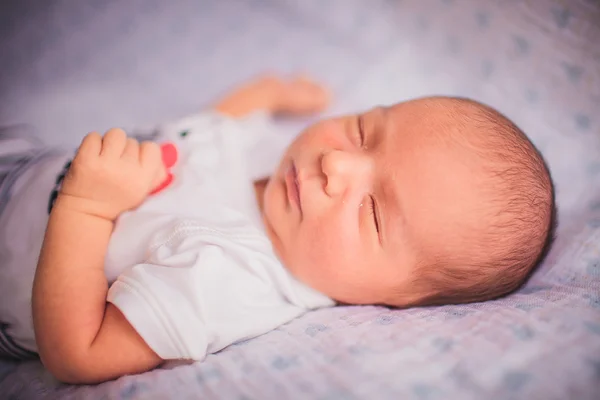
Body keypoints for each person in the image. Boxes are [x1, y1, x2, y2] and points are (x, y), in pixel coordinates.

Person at [0, 75, 556, 384]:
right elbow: (214, 135)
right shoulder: (283, 159)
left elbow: (77, 353)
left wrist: (86, 208)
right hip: (23, 159)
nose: (337, 166)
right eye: (364, 131)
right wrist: (267, 95)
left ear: (393, 303)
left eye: (372, 213)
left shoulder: (234, 279)